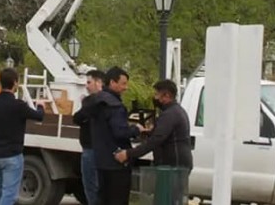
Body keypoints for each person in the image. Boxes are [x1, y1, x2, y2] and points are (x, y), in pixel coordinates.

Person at [0, 68, 45, 205]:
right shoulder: (18, 105)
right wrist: (41, 106)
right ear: (15, 83)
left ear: (0, 82)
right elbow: (38, 116)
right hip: (12, 154)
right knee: (9, 194)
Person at [91, 67, 141, 205]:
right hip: (117, 163)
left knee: (103, 198)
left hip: (101, 159)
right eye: (123, 83)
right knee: (118, 199)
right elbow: (120, 132)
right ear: (112, 82)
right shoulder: (115, 106)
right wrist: (136, 129)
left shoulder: (96, 101)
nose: (126, 87)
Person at [114, 80, 192, 169]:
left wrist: (128, 154)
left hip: (173, 167)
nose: (155, 98)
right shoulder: (175, 111)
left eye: (157, 94)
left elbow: (155, 140)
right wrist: (148, 132)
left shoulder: (170, 114)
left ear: (166, 95)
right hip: (176, 165)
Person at [72, 69, 106, 205]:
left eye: (89, 82)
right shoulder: (109, 101)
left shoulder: (91, 101)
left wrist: (84, 105)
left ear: (98, 83)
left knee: (91, 187)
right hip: (103, 149)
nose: (86, 86)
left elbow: (77, 117)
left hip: (91, 148)